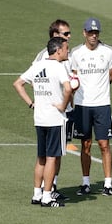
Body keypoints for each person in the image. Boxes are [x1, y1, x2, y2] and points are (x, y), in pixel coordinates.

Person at [13, 37, 72, 207]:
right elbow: (68, 88)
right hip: (55, 119)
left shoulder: (37, 66)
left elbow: (18, 84)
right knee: (52, 158)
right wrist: (63, 105)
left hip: (39, 118)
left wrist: (31, 104)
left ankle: (36, 193)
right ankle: (47, 196)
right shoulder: (59, 68)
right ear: (58, 50)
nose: (68, 51)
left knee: (41, 157)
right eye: (66, 48)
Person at [70, 18, 112, 196]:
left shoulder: (108, 51)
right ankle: (86, 182)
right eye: (90, 33)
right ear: (84, 33)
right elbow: (73, 77)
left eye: (96, 33)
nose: (93, 36)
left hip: (102, 105)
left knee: (104, 144)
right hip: (82, 105)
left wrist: (98, 86)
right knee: (86, 144)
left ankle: (108, 183)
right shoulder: (75, 53)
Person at [33, 19, 76, 200]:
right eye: (65, 34)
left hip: (53, 113)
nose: (69, 37)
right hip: (55, 113)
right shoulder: (47, 58)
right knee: (52, 155)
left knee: (52, 154)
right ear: (55, 36)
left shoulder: (65, 55)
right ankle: (46, 192)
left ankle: (47, 188)